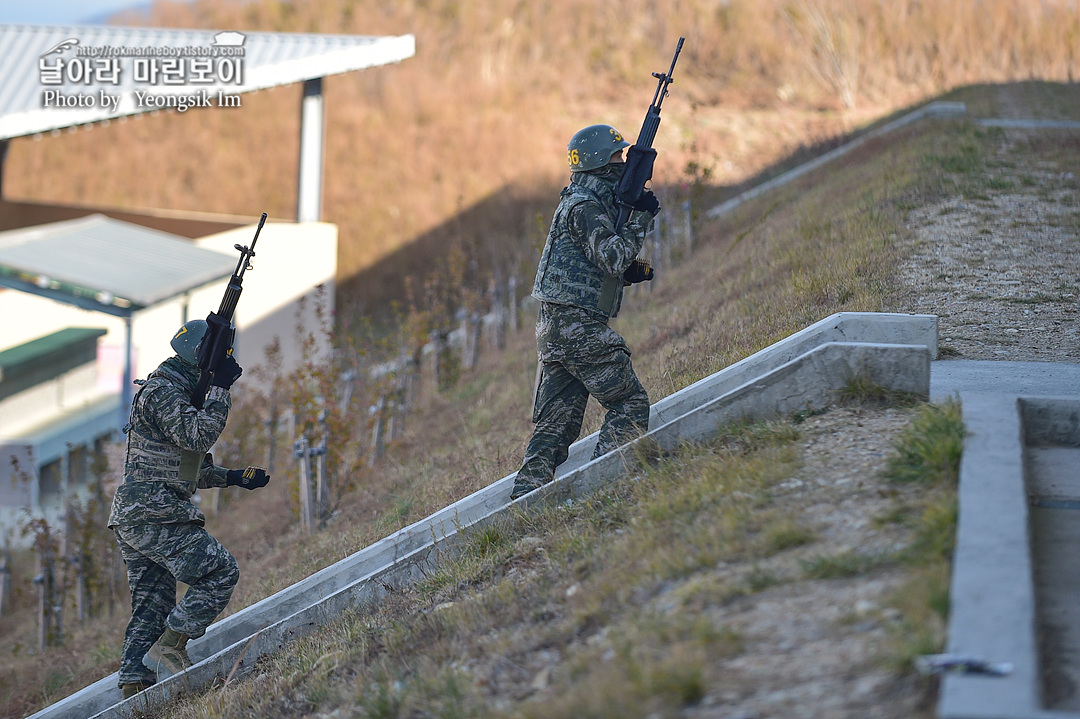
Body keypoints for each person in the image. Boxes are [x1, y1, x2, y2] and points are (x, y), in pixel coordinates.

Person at [108, 319, 271, 699]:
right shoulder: (162, 393)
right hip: (154, 513)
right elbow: (198, 434)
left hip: (139, 514)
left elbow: (181, 468)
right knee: (219, 571)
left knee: (152, 603)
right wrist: (219, 390)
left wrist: (232, 477)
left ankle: (135, 688)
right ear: (201, 360)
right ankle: (170, 647)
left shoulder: (167, 391)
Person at [511, 124, 661, 499]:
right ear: (598, 162)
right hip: (578, 328)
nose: (622, 161)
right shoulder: (586, 207)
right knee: (628, 403)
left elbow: (584, 266)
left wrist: (629, 274)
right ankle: (609, 486)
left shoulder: (577, 202)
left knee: (555, 429)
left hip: (557, 327)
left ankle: (523, 505)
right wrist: (640, 218)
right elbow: (611, 256)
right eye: (616, 155)